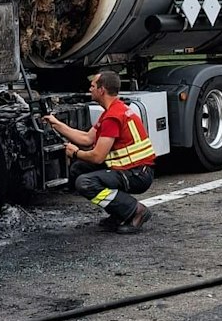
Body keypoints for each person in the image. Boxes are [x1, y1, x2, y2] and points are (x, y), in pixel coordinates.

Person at [42, 69, 154, 231]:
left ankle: (136, 211)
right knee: (78, 169)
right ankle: (119, 212)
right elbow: (87, 139)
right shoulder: (115, 109)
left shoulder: (112, 117)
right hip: (134, 169)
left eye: (93, 86)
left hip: (137, 174)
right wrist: (55, 123)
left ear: (102, 90)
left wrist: (75, 153)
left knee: (85, 183)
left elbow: (97, 157)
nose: (90, 89)